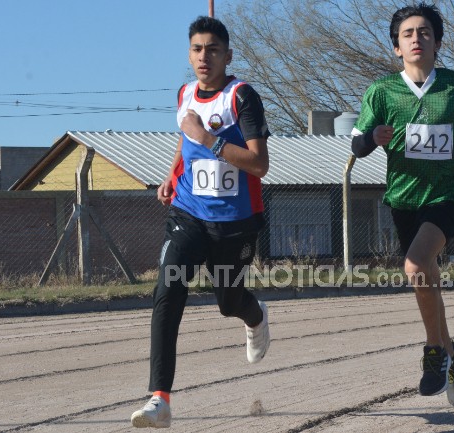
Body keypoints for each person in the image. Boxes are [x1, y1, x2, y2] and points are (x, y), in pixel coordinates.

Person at [130, 16, 271, 428]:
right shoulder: (184, 93)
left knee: (229, 302)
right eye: (196, 49)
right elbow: (184, 136)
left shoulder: (242, 97)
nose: (203, 56)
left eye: (212, 49)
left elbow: (259, 164)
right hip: (189, 215)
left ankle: (255, 316)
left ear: (228, 55)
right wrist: (171, 174)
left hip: (236, 223)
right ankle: (160, 398)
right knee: (167, 290)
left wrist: (209, 139)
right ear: (189, 55)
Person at [351, 3, 454, 406]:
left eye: (424, 32)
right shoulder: (381, 92)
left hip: (447, 194)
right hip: (404, 199)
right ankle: (453, 353)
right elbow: (356, 145)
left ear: (438, 42)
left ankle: (434, 355)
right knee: (426, 278)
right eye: (408, 34)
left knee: (414, 265)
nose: (416, 39)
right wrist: (373, 135)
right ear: (397, 47)